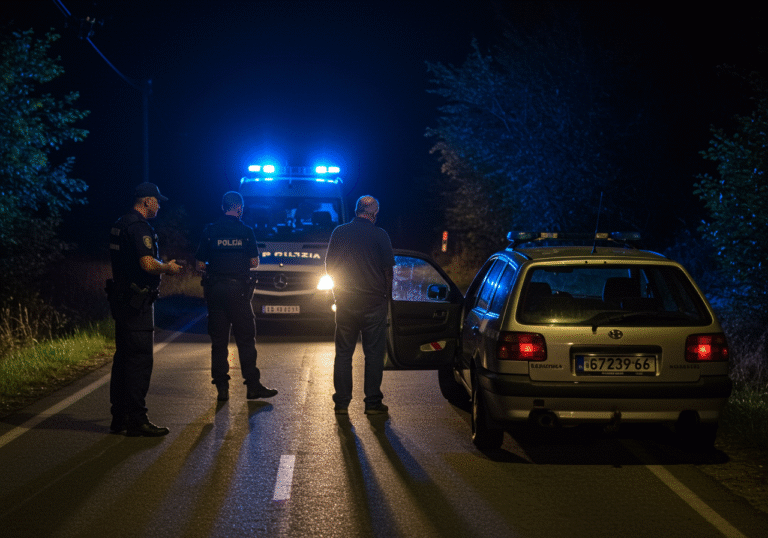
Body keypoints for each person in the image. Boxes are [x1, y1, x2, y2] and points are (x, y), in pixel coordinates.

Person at [106, 182, 183, 437]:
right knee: (139, 361)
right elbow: (148, 264)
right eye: (157, 201)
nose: (159, 205)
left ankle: (119, 417)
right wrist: (168, 268)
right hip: (136, 302)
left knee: (123, 360)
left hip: (121, 299)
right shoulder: (138, 228)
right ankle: (137, 420)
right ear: (147, 201)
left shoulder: (119, 224)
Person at [195, 191, 278, 402]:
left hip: (215, 292)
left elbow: (199, 264)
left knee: (219, 342)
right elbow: (254, 263)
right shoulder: (246, 231)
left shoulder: (209, 231)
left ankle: (222, 388)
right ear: (239, 208)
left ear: (223, 207)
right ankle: (252, 386)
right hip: (239, 293)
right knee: (246, 340)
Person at [325, 195, 395, 415]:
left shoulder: (339, 233)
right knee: (373, 355)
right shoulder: (380, 235)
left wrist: (338, 293)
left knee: (344, 353)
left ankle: (342, 403)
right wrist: (387, 299)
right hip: (374, 304)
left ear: (357, 211)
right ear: (373, 213)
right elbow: (388, 272)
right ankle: (372, 403)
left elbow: (329, 266)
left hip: (346, 302)